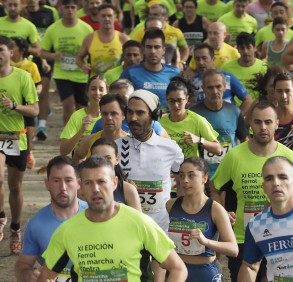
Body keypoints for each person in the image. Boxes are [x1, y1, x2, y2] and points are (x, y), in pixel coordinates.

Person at [37, 156, 188, 282]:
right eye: (88, 183)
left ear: (115, 183)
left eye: (101, 182)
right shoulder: (67, 231)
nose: (96, 189)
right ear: (80, 187)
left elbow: (178, 269)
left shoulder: (139, 223)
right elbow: (46, 276)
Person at [211, 102, 293, 281]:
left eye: (268, 122)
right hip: (243, 238)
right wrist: (223, 212)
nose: (263, 127)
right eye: (258, 122)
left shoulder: (290, 158)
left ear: (277, 123)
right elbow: (215, 188)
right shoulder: (234, 156)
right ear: (249, 124)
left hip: (280, 237)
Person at [0, 36, 39, 252]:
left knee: (15, 186)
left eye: (1, 50)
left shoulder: (23, 77)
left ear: (11, 52)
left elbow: (35, 110)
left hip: (17, 137)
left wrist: (14, 106)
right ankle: (0, 216)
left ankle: (15, 228)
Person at [117, 89, 184, 236]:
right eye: (130, 112)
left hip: (161, 230)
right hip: (125, 228)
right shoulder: (115, 148)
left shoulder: (170, 148)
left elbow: (183, 184)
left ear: (154, 115)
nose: (133, 118)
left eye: (140, 113)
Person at [16, 156, 89, 282]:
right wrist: (28, 275)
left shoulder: (95, 215)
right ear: (47, 184)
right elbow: (23, 264)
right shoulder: (35, 224)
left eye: (68, 180)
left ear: (78, 183)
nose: (63, 187)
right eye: (56, 181)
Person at [166, 157, 237, 281]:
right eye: (181, 176)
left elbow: (233, 249)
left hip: (205, 273)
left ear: (205, 178)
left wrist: (206, 241)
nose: (185, 181)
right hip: (178, 271)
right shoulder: (171, 205)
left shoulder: (215, 209)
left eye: (191, 176)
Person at [160, 77, 222, 159]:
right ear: (166, 100)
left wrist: (199, 140)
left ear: (186, 99)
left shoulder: (198, 120)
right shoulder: (160, 123)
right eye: (172, 101)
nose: (176, 105)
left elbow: (218, 149)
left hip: (189, 170)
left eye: (179, 100)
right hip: (168, 170)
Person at [120, 29, 181, 106]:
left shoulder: (174, 72)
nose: (153, 51)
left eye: (157, 47)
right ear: (143, 49)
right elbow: (120, 100)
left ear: (163, 50)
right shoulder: (130, 72)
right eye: (149, 47)